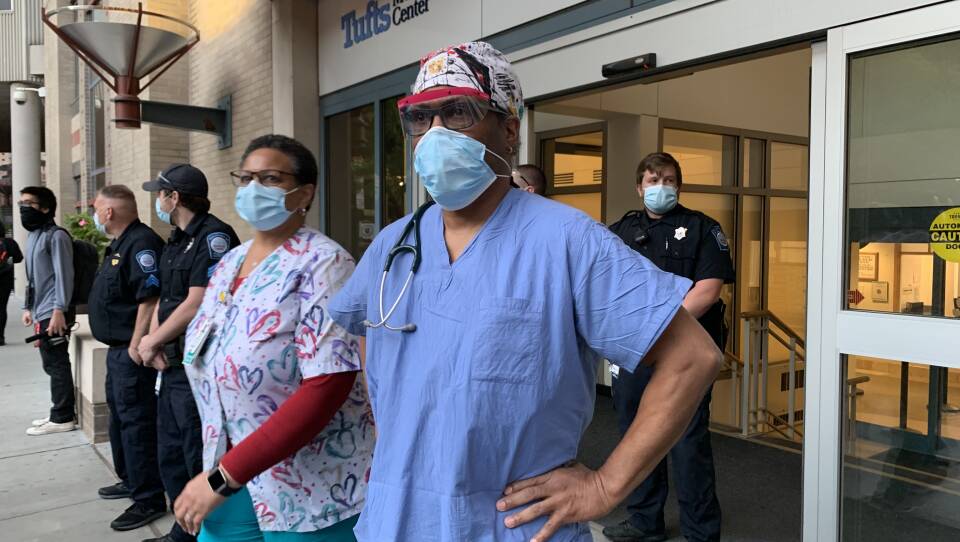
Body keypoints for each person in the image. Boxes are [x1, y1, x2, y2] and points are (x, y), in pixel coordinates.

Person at [327, 41, 722, 542]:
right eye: (421, 118)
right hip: (395, 520)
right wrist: (390, 429)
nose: (434, 134)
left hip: (512, 527)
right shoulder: (394, 243)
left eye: (458, 112)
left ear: (508, 130)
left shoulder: (567, 240)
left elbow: (692, 359)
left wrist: (604, 487)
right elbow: (370, 330)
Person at [172, 134, 373, 541]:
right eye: (245, 178)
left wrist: (223, 478)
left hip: (313, 486)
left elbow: (328, 384)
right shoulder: (230, 263)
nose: (252, 189)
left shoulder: (325, 264)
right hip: (231, 469)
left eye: (269, 178)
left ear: (305, 193)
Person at [603, 152, 734, 542]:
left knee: (687, 440)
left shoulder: (703, 229)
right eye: (653, 180)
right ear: (639, 187)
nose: (661, 187)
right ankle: (645, 520)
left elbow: (708, 291)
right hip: (634, 351)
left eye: (669, 180)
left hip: (684, 354)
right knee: (635, 435)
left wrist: (656, 327)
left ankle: (701, 531)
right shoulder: (619, 231)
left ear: (679, 185)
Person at [138, 164, 241, 542]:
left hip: (198, 366)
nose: (158, 201)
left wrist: (152, 342)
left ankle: (198, 533)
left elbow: (198, 302)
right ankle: (181, 529)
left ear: (174, 197)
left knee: (196, 450)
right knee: (169, 449)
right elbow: (167, 299)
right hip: (172, 365)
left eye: (160, 193)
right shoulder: (176, 239)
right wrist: (154, 342)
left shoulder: (214, 238)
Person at [87, 185, 169, 531]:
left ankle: (148, 498)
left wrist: (138, 343)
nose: (92, 214)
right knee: (121, 421)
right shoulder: (119, 244)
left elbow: (149, 297)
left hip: (130, 352)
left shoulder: (141, 243)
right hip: (117, 350)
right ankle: (132, 480)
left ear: (108, 212)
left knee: (136, 424)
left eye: (95, 208)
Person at [20, 186, 77, 436]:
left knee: (57, 362)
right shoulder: (34, 236)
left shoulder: (57, 236)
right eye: (21, 202)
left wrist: (59, 310)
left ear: (45, 208)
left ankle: (63, 416)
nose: (23, 208)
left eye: (28, 203)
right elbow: (32, 278)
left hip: (55, 311)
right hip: (41, 310)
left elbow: (65, 277)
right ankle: (58, 411)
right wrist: (27, 307)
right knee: (49, 362)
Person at [0, 221, 24, 345]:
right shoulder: (10, 243)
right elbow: (19, 258)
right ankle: (0, 337)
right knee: (2, 308)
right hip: (5, 279)